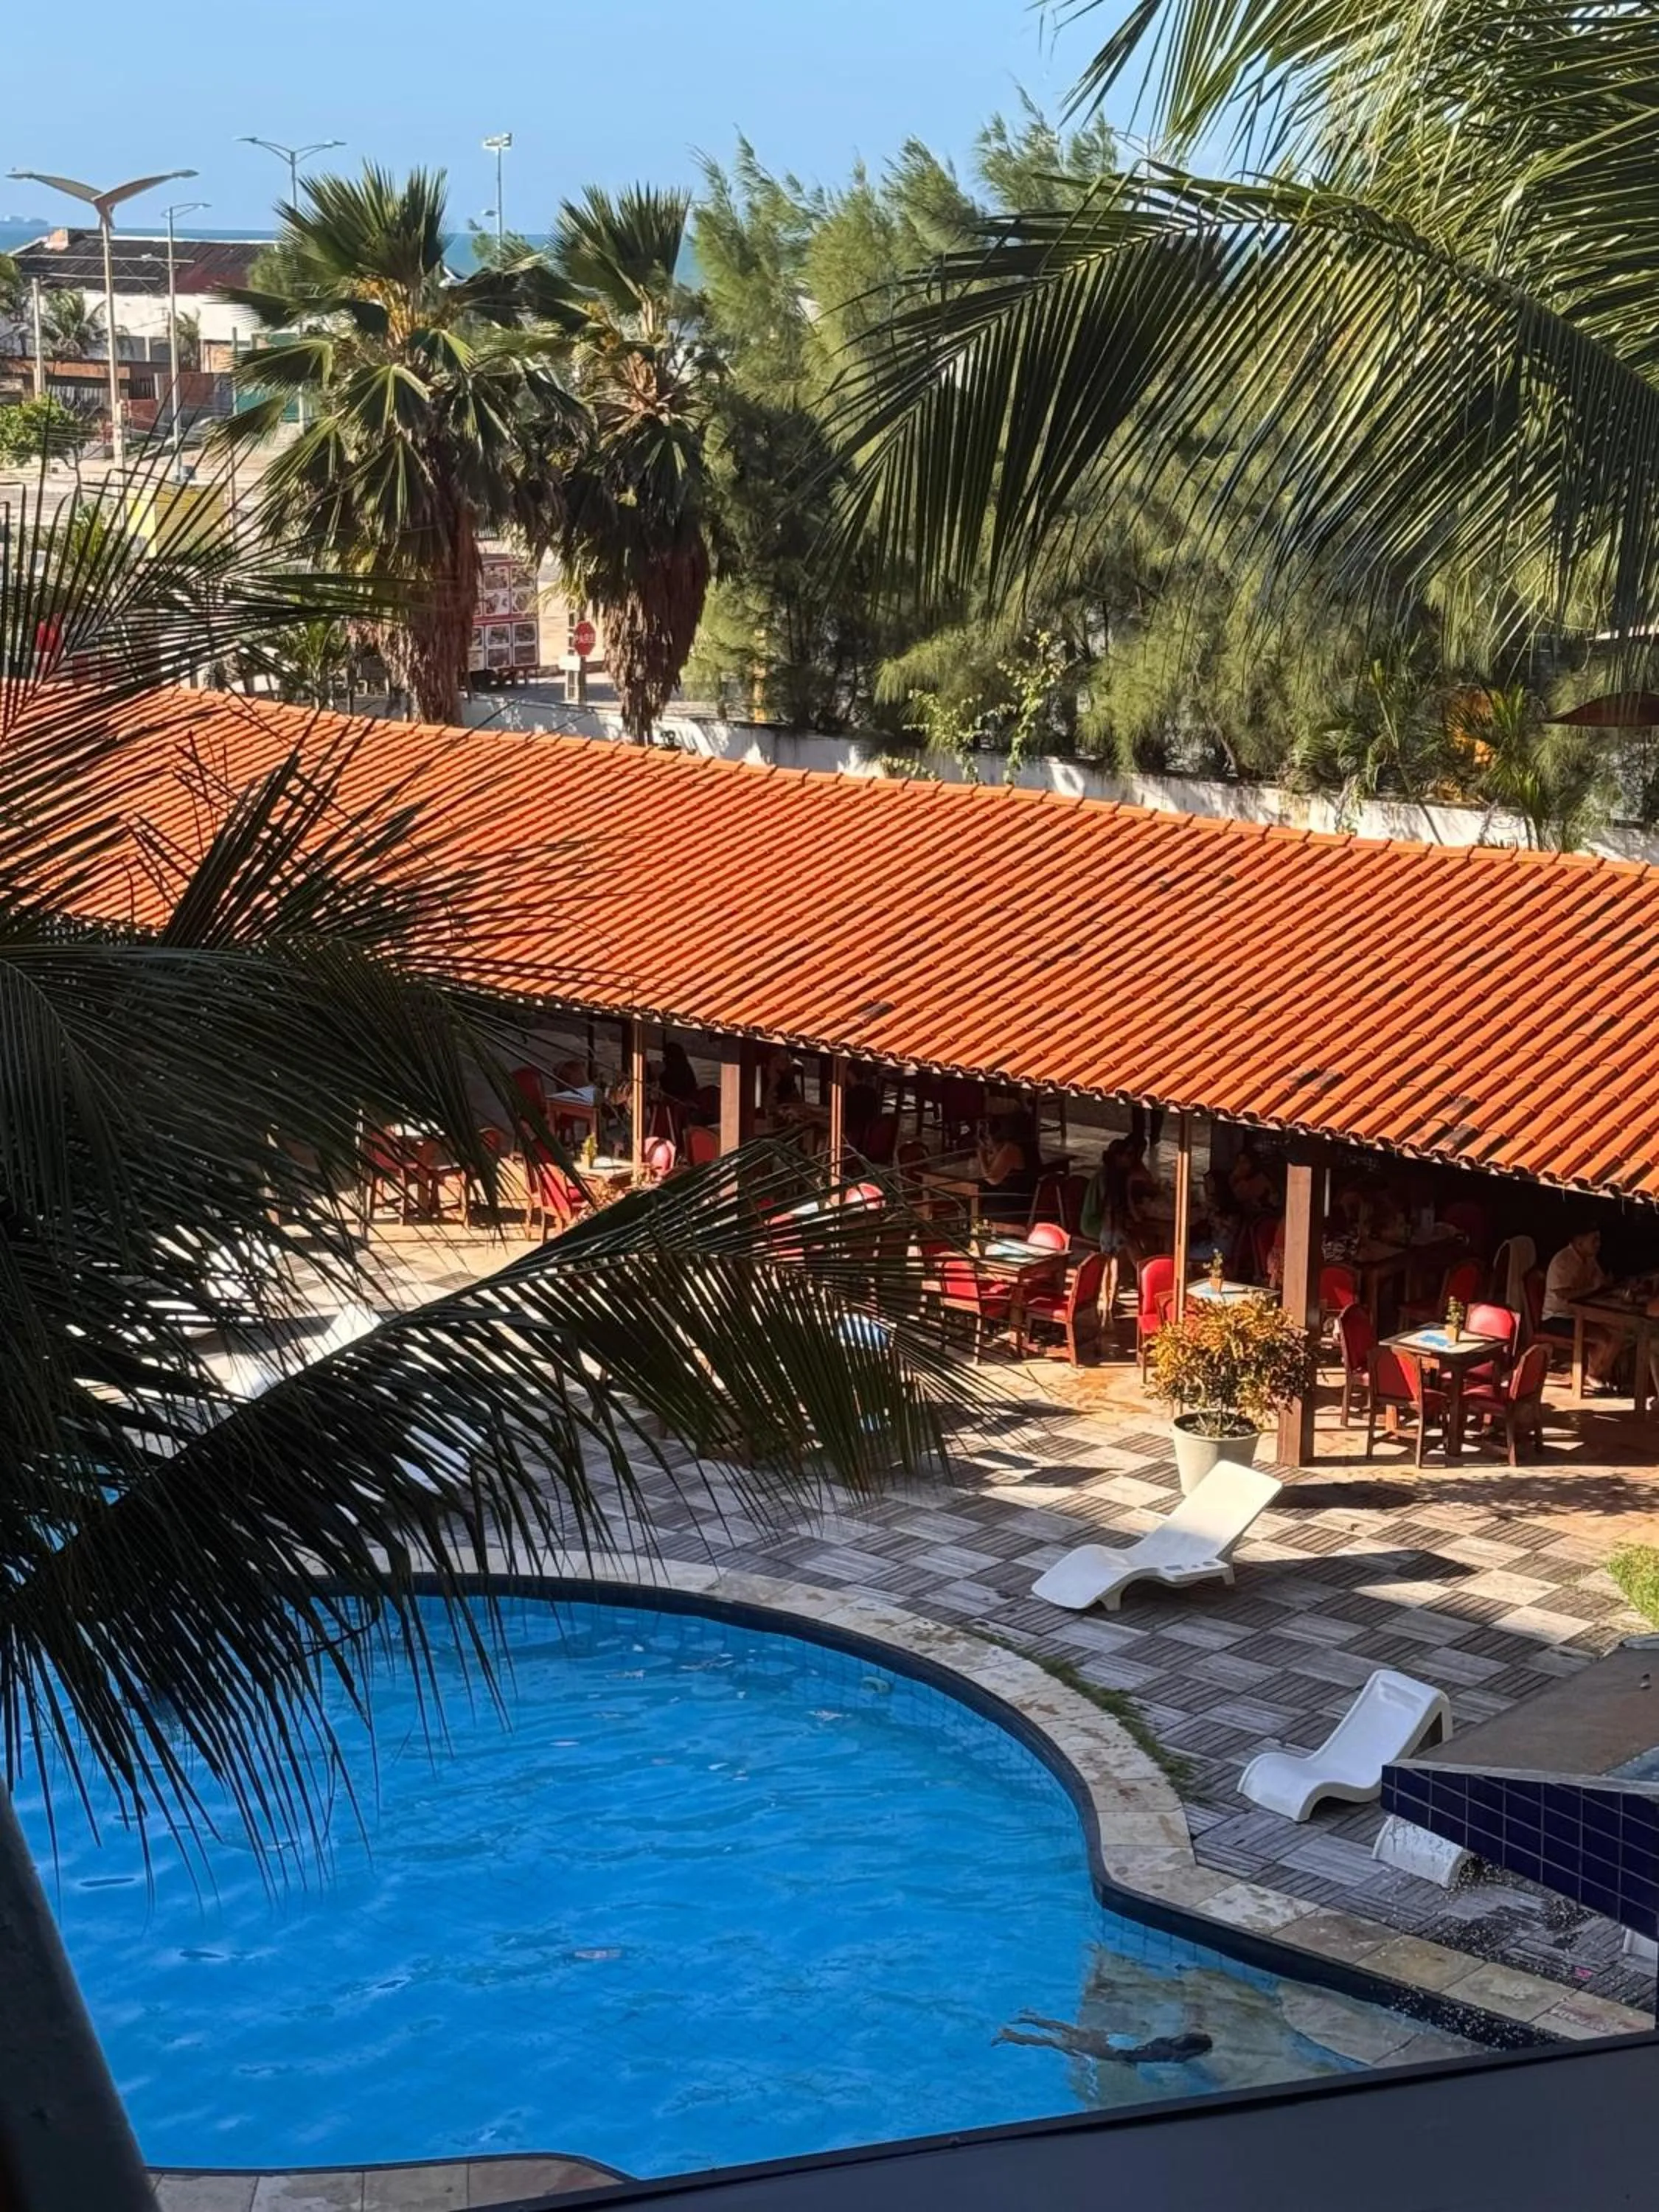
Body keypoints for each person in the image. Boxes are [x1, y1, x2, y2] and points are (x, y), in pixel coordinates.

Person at [1542, 1226, 1618, 1383]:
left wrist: (1607, 1283)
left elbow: (1600, 1280)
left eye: (1599, 1240)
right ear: (1579, 1242)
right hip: (1558, 1317)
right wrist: (1593, 1288)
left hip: (1580, 1314)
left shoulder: (1590, 1258)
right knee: (1604, 1339)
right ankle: (1592, 1374)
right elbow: (1563, 1295)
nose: (1598, 1244)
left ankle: (1598, 1372)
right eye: (1594, 1240)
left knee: (1619, 1331)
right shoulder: (1563, 1261)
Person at [977, 1111, 1041, 1225]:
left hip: (1013, 1206)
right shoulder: (1030, 1147)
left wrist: (981, 1155)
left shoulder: (1012, 1149)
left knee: (977, 1203)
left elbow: (992, 1178)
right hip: (1028, 1202)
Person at [658, 1040, 700, 1106]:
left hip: (675, 1101)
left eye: (665, 1056)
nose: (663, 1058)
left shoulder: (672, 1069)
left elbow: (667, 1086)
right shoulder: (686, 1066)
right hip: (686, 1098)